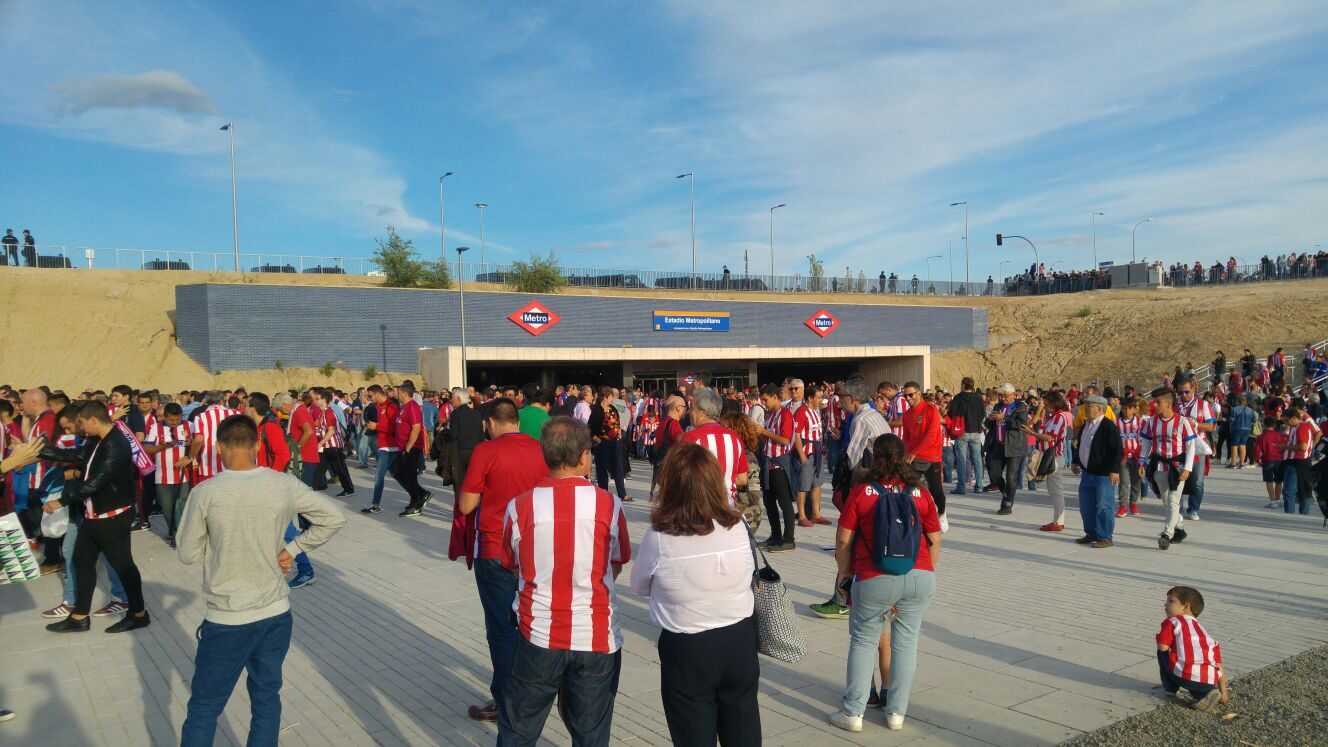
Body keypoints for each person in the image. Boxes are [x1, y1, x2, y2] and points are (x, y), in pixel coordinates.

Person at [177, 414, 346, 746]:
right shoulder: (282, 484)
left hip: (227, 617)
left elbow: (187, 554)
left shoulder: (205, 492)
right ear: (257, 445)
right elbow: (334, 516)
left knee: (205, 707)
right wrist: (292, 549)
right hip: (275, 613)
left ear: (218, 447)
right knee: (267, 696)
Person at [497, 416, 631, 746]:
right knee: (591, 733)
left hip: (539, 633)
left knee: (519, 730)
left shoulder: (519, 506)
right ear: (584, 457)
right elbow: (616, 564)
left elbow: (512, 566)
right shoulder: (609, 504)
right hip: (595, 635)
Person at [630, 443, 759, 746]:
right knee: (744, 728)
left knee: (693, 733)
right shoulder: (737, 523)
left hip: (688, 646)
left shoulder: (661, 535)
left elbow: (638, 585)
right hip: (739, 639)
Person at [829, 434, 941, 734]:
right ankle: (896, 713)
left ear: (874, 457)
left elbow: (843, 539)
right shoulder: (920, 492)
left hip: (873, 576)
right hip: (919, 575)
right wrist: (924, 571)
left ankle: (854, 712)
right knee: (906, 644)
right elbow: (935, 538)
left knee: (863, 641)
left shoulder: (862, 492)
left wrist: (844, 572)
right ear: (903, 456)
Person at [456, 398, 549, 723]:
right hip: (533, 550)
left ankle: (507, 699)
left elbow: (467, 505)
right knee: (531, 622)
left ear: (491, 423)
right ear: (517, 421)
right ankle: (533, 690)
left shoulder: (486, 451)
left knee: (501, 627)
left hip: (495, 548)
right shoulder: (540, 449)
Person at [39, 402, 150, 633]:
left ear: (93, 420)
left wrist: (61, 502)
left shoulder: (116, 444)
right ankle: (79, 617)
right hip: (94, 515)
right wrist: (39, 450)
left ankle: (138, 613)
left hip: (113, 516)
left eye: (80, 422)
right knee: (81, 560)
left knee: (123, 565)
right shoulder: (95, 441)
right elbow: (76, 455)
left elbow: (96, 482)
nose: (79, 427)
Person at [1141, 388, 1196, 551]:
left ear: (1168, 403)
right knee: (1166, 501)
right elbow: (1146, 443)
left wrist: (1187, 468)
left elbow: (1191, 446)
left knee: (1173, 501)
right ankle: (1179, 529)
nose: (1154, 405)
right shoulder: (1151, 422)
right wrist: (1142, 462)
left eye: (1158, 402)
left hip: (1177, 467)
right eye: (1154, 402)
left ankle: (1167, 534)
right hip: (1158, 466)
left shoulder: (1182, 422)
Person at [1156, 586, 1228, 711]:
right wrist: (1224, 692)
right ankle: (1206, 693)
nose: (1165, 604)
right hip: (1210, 678)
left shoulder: (1172, 622)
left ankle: (1170, 688)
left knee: (1162, 654)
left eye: (1171, 601)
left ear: (1186, 606)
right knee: (1198, 685)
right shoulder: (1205, 634)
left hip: (1186, 676)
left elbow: (1162, 647)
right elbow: (1219, 665)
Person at [677, 388, 749, 505]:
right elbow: (742, 479)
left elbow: (679, 478)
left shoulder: (691, 438)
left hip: (699, 507)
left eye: (692, 407)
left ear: (703, 412)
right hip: (728, 506)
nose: (689, 412)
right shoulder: (735, 438)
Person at [1070, 396, 1122, 548]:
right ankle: (1091, 533)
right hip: (1087, 473)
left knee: (1104, 506)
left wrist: (1114, 470)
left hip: (1103, 474)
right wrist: (1075, 461)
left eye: (1089, 406)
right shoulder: (1086, 425)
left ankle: (1105, 536)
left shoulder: (1108, 426)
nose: (1085, 409)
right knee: (1087, 505)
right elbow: (1082, 445)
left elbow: (1117, 450)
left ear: (1100, 408)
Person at [898, 381, 948, 532]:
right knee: (907, 489)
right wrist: (904, 454)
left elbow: (931, 436)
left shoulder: (930, 410)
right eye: (905, 396)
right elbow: (906, 438)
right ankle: (908, 517)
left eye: (910, 395)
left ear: (918, 394)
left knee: (936, 491)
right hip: (914, 458)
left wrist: (914, 452)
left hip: (932, 457)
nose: (908, 398)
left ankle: (942, 513)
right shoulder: (907, 415)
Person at [142, 402, 192, 547]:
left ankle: (179, 535)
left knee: (181, 507)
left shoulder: (189, 425)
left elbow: (196, 445)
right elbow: (147, 449)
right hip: (162, 476)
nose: (174, 423)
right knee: (167, 508)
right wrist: (161, 447)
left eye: (177, 419)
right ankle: (173, 532)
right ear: (164, 416)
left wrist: (189, 451)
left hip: (183, 476)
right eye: (171, 420)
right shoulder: (155, 427)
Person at [758, 384, 797, 551]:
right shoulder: (771, 415)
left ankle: (788, 539)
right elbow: (768, 439)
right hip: (768, 463)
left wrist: (764, 432)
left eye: (766, 399)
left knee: (784, 502)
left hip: (779, 463)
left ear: (775, 397)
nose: (764, 403)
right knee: (769, 502)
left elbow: (785, 440)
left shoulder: (785, 414)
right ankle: (775, 536)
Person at [1026, 391, 1070, 531]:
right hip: (1049, 456)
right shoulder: (1053, 417)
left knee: (1056, 491)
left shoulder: (1059, 417)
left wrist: (1032, 433)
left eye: (1047, 404)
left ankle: (1059, 521)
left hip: (1054, 457)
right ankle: (1057, 520)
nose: (1045, 407)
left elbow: (1050, 437)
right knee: (1054, 491)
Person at [985, 383, 1029, 515]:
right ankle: (1006, 493)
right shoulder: (998, 406)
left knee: (1011, 477)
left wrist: (1004, 418)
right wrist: (990, 419)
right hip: (998, 444)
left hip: (1013, 446)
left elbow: (1020, 424)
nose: (1003, 398)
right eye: (1001, 396)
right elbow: (987, 425)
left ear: (1013, 395)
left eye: (1005, 396)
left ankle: (1007, 504)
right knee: (994, 475)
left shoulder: (1020, 407)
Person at [1175, 380, 1215, 520]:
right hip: (1179, 447)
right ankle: (1178, 510)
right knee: (1178, 479)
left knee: (1197, 482)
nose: (1183, 395)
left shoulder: (1203, 405)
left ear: (1193, 389)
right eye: (1180, 392)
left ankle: (1193, 509)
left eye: (1186, 391)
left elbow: (1211, 427)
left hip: (1197, 447)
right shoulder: (1175, 405)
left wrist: (1196, 424)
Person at [393, 381, 431, 516]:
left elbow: (416, 428)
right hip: (402, 447)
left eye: (398, 393)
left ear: (404, 393)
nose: (397, 395)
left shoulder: (413, 407)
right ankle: (422, 493)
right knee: (397, 472)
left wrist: (408, 447)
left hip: (412, 447)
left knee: (410, 476)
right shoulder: (403, 407)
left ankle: (415, 504)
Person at [359, 385, 397, 513]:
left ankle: (375, 506)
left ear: (376, 394)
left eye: (370, 395)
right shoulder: (377, 406)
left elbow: (394, 428)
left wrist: (377, 426)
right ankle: (420, 494)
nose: (369, 398)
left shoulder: (391, 406)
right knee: (400, 476)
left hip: (390, 447)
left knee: (379, 476)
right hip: (383, 445)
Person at [589, 385, 630, 502]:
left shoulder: (613, 408)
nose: (613, 399)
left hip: (615, 443)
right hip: (602, 444)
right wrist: (598, 440)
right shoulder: (596, 411)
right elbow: (590, 428)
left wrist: (619, 434)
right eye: (611, 396)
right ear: (604, 397)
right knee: (602, 470)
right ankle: (604, 494)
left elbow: (617, 422)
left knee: (618, 468)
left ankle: (622, 494)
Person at [947, 377, 986, 494]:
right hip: (976, 431)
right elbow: (982, 414)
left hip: (962, 431)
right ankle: (979, 486)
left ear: (963, 385)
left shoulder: (958, 398)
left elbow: (951, 413)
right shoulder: (978, 398)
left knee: (962, 460)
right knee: (977, 460)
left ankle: (961, 487)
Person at [314, 389, 354, 497]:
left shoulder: (329, 412)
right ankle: (312, 487)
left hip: (334, 446)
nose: (315, 401)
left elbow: (331, 431)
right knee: (320, 467)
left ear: (323, 400)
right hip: (326, 446)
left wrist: (319, 444)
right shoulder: (323, 413)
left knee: (340, 468)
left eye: (317, 399)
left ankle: (349, 489)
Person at [1115, 397, 1145, 516]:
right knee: (1123, 481)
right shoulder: (1116, 422)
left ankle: (1133, 503)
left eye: (1129, 408)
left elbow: (1146, 439)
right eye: (1124, 408)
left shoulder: (1140, 422)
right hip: (1123, 456)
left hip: (1137, 456)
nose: (1127, 411)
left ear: (1134, 409)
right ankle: (1123, 505)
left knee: (1136, 481)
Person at [1253, 417, 1286, 508]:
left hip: (1267, 460)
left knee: (1269, 481)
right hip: (1279, 460)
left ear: (1264, 424)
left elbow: (1257, 450)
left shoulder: (1261, 437)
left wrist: (1257, 460)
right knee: (1279, 481)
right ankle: (1278, 500)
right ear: (1274, 425)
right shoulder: (1279, 435)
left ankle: (1272, 501)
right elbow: (1284, 447)